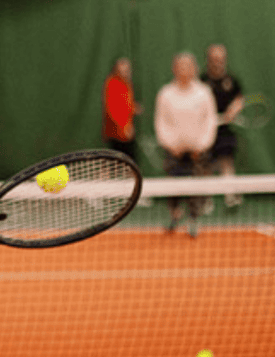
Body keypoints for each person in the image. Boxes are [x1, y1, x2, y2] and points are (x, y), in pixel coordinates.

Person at [154, 52, 218, 238]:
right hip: (173, 151)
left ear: (195, 69)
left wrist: (202, 145)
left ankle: (193, 221)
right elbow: (161, 122)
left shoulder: (204, 92)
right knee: (173, 188)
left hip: (198, 152)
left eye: (188, 66)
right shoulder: (165, 93)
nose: (184, 69)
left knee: (196, 188)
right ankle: (174, 215)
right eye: (180, 66)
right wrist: (171, 145)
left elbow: (210, 121)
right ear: (174, 69)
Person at [201, 44, 245, 207]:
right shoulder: (202, 81)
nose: (218, 62)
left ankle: (230, 196)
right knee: (206, 166)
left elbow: (239, 99)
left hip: (225, 129)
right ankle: (206, 200)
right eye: (214, 59)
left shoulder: (232, 80)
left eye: (220, 59)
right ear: (208, 60)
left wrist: (233, 110)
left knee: (227, 161)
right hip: (206, 130)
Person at [102, 57, 142, 161]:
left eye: (127, 69)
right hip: (117, 134)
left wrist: (133, 108)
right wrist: (123, 127)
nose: (125, 72)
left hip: (126, 133)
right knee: (117, 162)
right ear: (116, 69)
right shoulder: (112, 83)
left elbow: (125, 104)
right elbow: (112, 109)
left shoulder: (127, 84)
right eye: (122, 69)